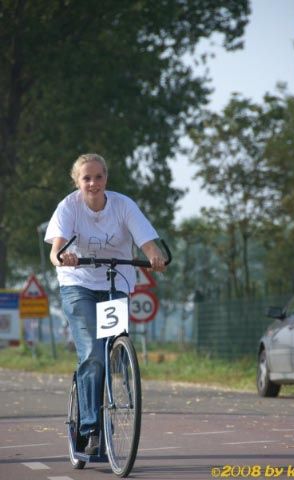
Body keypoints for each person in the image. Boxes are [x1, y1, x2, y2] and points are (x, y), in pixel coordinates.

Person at [45, 153, 166, 454]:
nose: (93, 183)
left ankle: (117, 392)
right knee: (93, 354)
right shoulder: (68, 207)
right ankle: (90, 429)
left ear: (106, 179)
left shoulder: (123, 205)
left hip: (117, 281)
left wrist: (154, 256)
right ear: (77, 181)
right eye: (86, 178)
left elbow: (147, 241)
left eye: (98, 177)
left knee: (114, 348)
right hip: (78, 283)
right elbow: (55, 251)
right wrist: (63, 257)